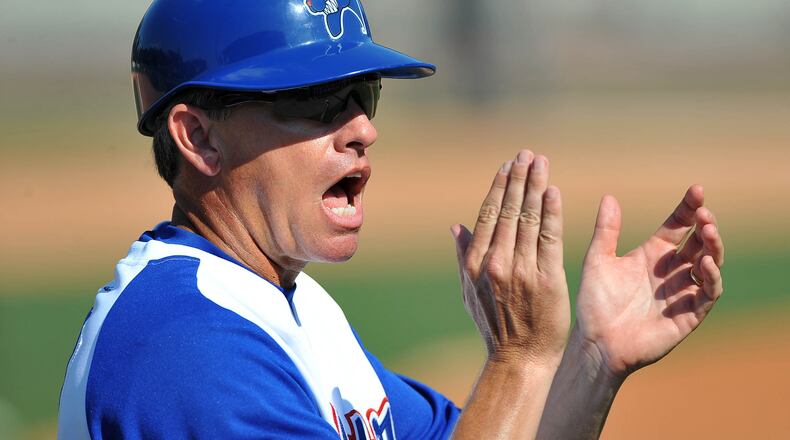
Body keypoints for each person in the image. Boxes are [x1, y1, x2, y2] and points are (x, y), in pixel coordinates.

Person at [58, 0, 725, 439]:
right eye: (318, 101)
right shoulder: (186, 348)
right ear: (199, 137)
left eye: (363, 95)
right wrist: (518, 358)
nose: (363, 128)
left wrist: (592, 361)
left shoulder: (292, 310)